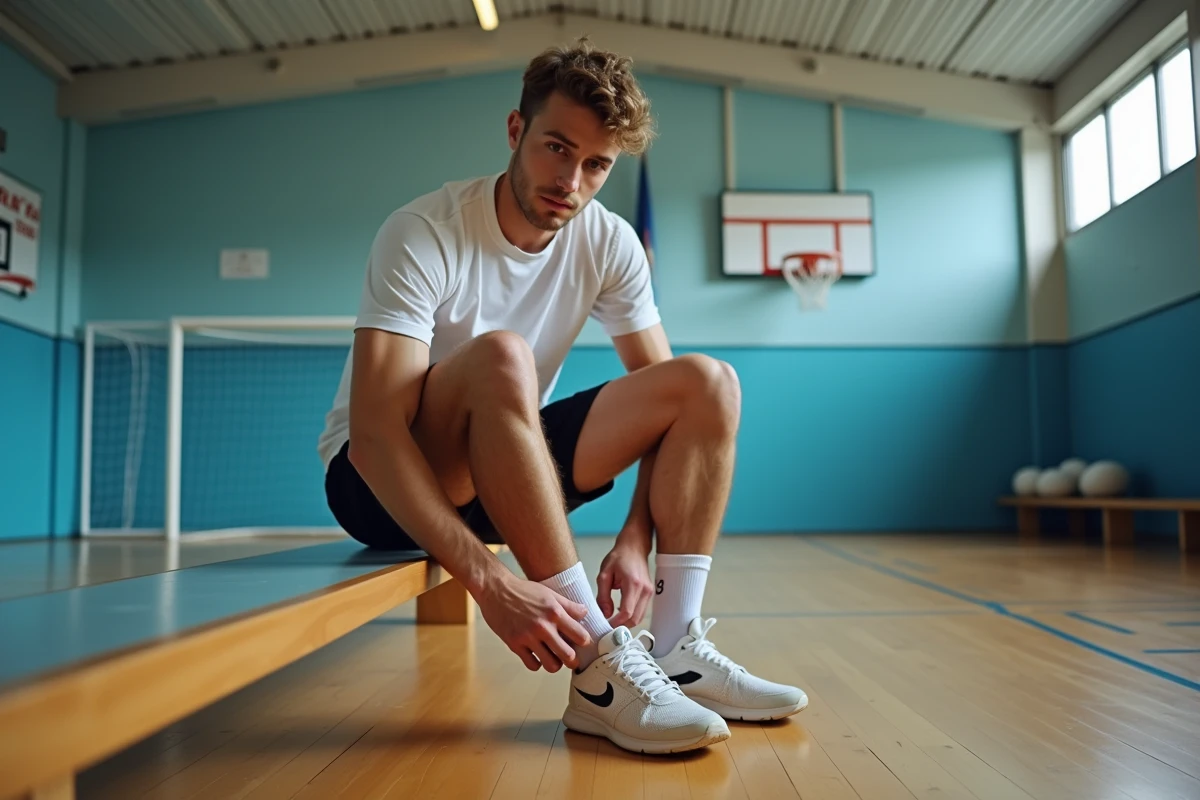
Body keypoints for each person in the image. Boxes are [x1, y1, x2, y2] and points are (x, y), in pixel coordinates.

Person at [318, 38, 807, 755]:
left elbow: (666, 412)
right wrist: (490, 582)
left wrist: (636, 539)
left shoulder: (610, 244)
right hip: (379, 485)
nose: (571, 180)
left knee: (708, 383)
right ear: (516, 132)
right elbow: (374, 439)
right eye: (556, 148)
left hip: (504, 469)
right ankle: (597, 670)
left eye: (597, 164)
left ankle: (675, 646)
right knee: (502, 357)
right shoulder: (425, 232)